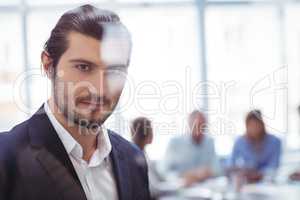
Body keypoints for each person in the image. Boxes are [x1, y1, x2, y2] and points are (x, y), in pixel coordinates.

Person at [0, 5, 150, 200]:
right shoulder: (4, 158)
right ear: (48, 65)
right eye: (84, 67)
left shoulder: (133, 160)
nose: (100, 89)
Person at [162, 110, 221, 187]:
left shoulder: (209, 142)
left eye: (203, 126)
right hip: (181, 189)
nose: (200, 130)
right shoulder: (175, 143)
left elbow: (218, 170)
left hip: (205, 189)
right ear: (189, 125)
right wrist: (182, 177)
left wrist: (208, 173)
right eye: (197, 125)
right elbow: (163, 170)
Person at [229, 110, 282, 183]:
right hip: (246, 181)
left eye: (257, 125)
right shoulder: (240, 141)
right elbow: (231, 164)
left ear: (262, 124)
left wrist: (260, 174)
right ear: (246, 126)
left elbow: (274, 165)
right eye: (251, 125)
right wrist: (240, 172)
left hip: (267, 181)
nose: (254, 129)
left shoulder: (275, 141)